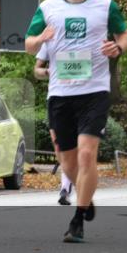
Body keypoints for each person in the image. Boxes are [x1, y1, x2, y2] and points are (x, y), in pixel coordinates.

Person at [26, 0, 127, 242]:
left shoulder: (105, 5)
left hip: (94, 90)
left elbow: (124, 35)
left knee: (87, 156)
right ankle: (86, 193)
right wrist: (40, 40)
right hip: (60, 93)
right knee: (67, 160)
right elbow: (28, 45)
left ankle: (77, 219)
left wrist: (118, 48)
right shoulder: (48, 7)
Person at [34, 47, 73, 205]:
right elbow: (37, 69)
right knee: (59, 146)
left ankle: (66, 187)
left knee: (75, 146)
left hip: (83, 98)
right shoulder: (51, 41)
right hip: (56, 98)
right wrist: (46, 72)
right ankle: (68, 180)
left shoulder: (87, 38)